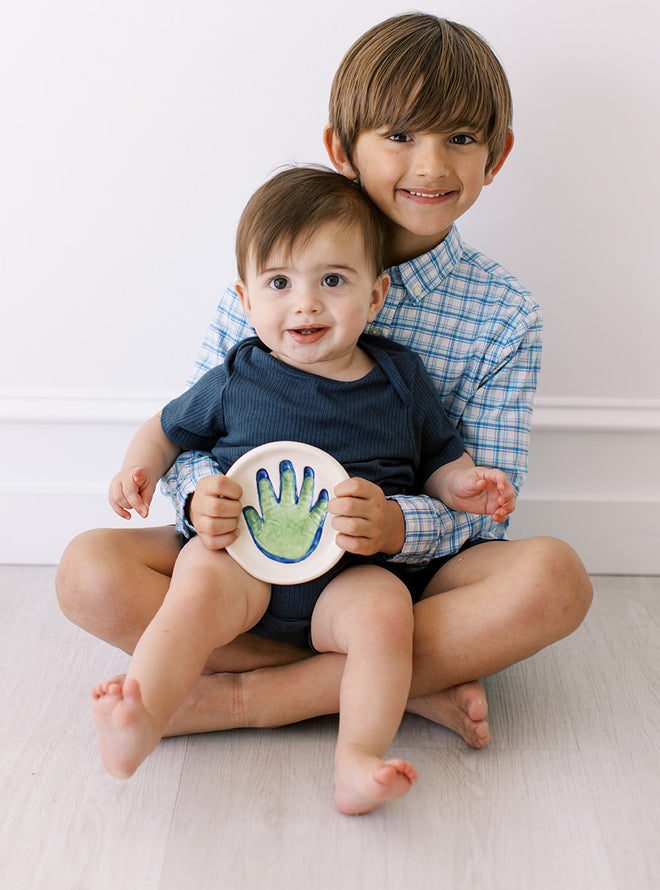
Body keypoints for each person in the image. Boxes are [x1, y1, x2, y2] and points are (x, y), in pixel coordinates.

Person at [57, 11, 592, 758]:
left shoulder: (504, 315)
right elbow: (190, 436)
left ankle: (246, 696)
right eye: (400, 135)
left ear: (496, 156)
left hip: (385, 586)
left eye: (460, 138)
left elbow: (484, 513)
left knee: (555, 580)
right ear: (342, 149)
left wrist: (401, 525)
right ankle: (390, 685)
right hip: (244, 562)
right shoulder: (266, 276)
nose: (430, 166)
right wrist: (200, 497)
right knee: (89, 570)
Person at [91, 167, 517, 814]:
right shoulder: (239, 374)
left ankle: (356, 758)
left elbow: (440, 458)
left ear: (375, 297)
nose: (306, 303)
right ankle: (143, 715)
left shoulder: (401, 380)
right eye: (281, 283)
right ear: (246, 298)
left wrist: (468, 484)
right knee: (194, 585)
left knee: (385, 615)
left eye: (333, 281)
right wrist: (141, 470)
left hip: (350, 575)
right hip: (243, 564)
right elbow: (166, 429)